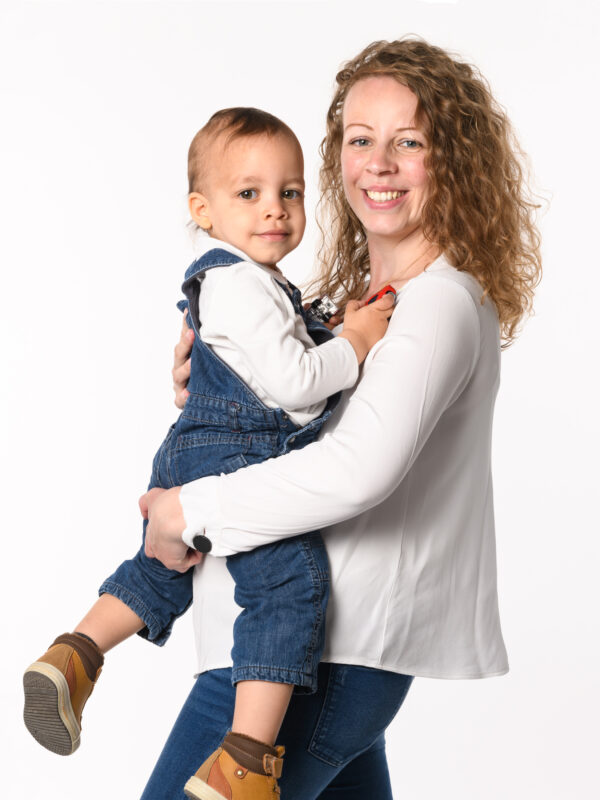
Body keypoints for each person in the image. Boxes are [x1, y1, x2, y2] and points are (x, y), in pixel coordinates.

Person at [139, 36, 541, 800]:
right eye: (361, 140)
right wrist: (220, 385)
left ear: (451, 160)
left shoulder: (440, 305)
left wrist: (189, 511)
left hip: (313, 661)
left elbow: (357, 470)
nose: (378, 164)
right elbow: (292, 426)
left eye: (408, 142)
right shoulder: (356, 308)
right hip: (306, 653)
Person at [22, 107, 393, 799]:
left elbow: (264, 365)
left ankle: (76, 654)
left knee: (162, 570)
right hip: (237, 457)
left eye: (290, 192)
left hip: (193, 452)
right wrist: (358, 344)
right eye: (248, 194)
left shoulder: (241, 284)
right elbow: (296, 389)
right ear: (203, 208)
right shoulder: (241, 283)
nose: (275, 211)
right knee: (287, 591)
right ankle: (245, 760)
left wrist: (327, 329)